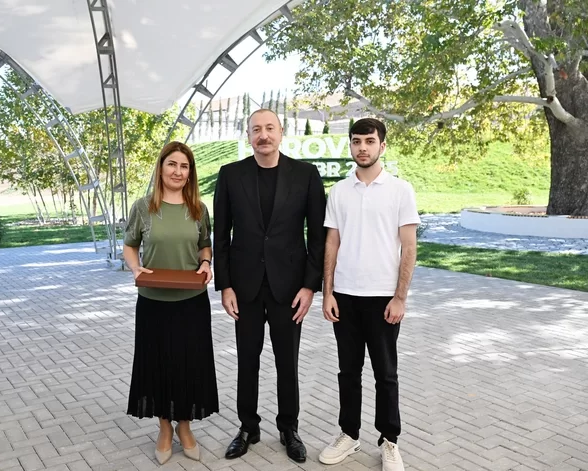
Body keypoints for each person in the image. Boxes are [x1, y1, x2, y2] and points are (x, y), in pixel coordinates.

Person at [213, 109, 326, 463]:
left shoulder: (306, 175)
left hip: (289, 289)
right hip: (244, 287)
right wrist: (225, 286)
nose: (263, 135)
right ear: (248, 135)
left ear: (281, 132)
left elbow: (318, 236)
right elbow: (221, 236)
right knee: (247, 361)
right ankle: (248, 427)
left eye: (269, 128)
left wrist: (309, 287)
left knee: (287, 362)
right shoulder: (231, 175)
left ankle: (289, 428)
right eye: (256, 129)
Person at [319, 118, 420, 471]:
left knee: (385, 374)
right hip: (345, 296)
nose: (362, 147)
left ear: (382, 146)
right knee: (348, 372)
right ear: (350, 145)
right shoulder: (338, 192)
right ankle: (348, 434)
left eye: (369, 141)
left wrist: (400, 297)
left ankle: (389, 441)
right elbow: (332, 244)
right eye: (357, 141)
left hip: (383, 298)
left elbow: (409, 247)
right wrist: (327, 292)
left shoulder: (400, 190)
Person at [123, 141, 218, 465]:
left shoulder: (198, 208)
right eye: (172, 164)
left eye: (184, 166)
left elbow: (205, 244)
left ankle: (185, 426)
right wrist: (136, 268)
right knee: (158, 364)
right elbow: (130, 245)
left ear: (190, 173)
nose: (178, 171)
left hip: (192, 303)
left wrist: (206, 263)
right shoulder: (143, 207)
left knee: (189, 365)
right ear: (161, 168)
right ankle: (164, 427)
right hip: (153, 302)